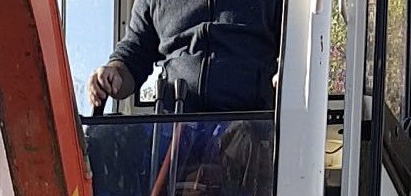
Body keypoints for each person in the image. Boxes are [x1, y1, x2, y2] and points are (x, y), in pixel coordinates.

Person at [88, 1, 283, 116]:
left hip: (252, 131)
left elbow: (293, 45)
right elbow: (134, 53)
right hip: (175, 133)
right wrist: (115, 72)